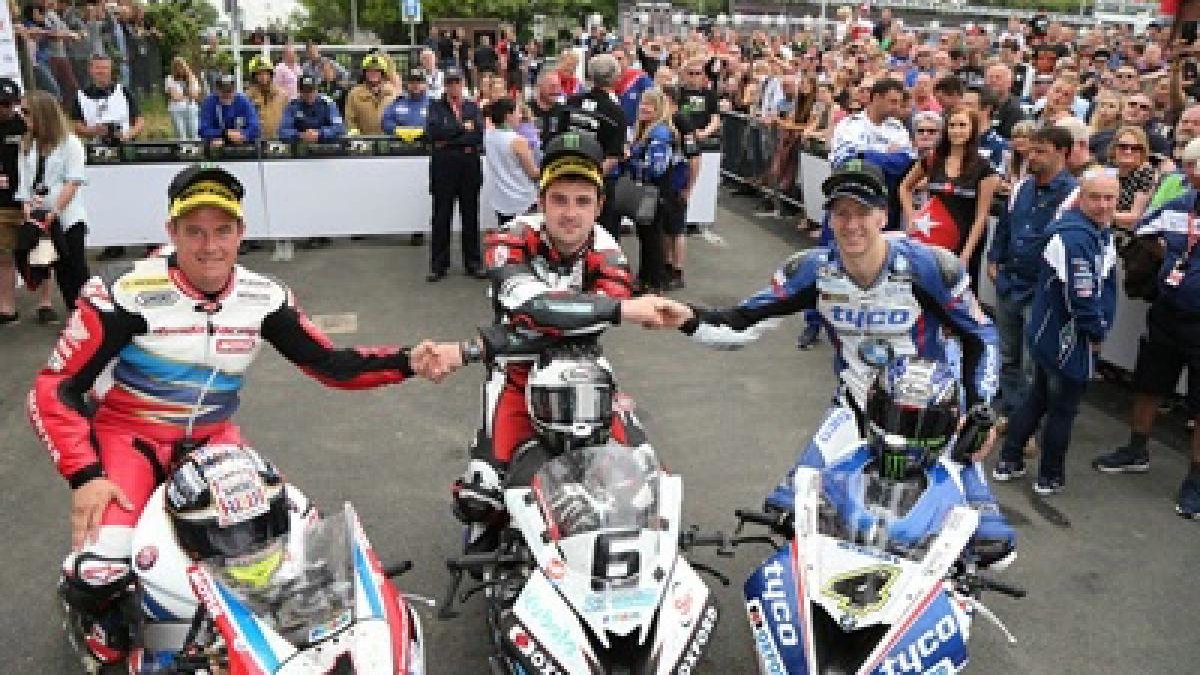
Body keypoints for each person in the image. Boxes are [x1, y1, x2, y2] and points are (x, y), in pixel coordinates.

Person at [28, 164, 452, 670]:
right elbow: (54, 388)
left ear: (241, 232)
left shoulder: (263, 296)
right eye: (195, 231)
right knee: (99, 572)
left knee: (297, 546)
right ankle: (120, 627)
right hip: (130, 438)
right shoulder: (121, 294)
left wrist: (407, 361)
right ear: (171, 232)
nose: (210, 246)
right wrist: (85, 476)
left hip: (215, 441)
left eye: (223, 230)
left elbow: (329, 364)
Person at [412, 131, 676, 552]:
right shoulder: (508, 238)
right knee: (480, 499)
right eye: (559, 200)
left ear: (599, 206)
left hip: (587, 375)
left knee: (646, 480)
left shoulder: (609, 251)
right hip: (515, 376)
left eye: (582, 201)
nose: (570, 213)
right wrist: (621, 309)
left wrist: (470, 349)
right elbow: (534, 309)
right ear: (541, 201)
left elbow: (559, 323)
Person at [656, 160, 999, 419]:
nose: (851, 225)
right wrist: (686, 319)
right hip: (853, 412)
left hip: (927, 418)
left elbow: (981, 337)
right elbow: (743, 322)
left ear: (883, 216)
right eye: (841, 213)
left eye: (862, 212)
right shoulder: (813, 271)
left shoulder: (929, 267)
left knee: (964, 496)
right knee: (796, 493)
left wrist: (979, 411)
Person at [992, 168, 1119, 495]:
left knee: (1038, 397)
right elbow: (1082, 296)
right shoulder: (1076, 237)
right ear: (1081, 198)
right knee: (1062, 408)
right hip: (1067, 337)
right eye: (1095, 197)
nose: (1103, 205)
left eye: (1110, 198)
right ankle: (1049, 475)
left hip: (1052, 332)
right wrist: (1096, 334)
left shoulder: (1092, 231)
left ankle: (1009, 459)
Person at [1092, 150, 1200, 518]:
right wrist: (1170, 257)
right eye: (1190, 166)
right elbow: (1144, 230)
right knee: (1149, 384)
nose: (1191, 173)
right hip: (1168, 311)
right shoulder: (1181, 203)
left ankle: (1196, 479)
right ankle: (1136, 449)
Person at [987, 125, 1077, 424]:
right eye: (1031, 150)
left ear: (1063, 153)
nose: (1032, 156)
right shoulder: (1021, 188)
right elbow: (1005, 225)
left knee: (1033, 362)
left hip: (1041, 289)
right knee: (1007, 354)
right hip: (1010, 281)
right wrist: (994, 258)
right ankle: (1008, 413)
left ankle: (1025, 424)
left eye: (1041, 151)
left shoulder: (1074, 194)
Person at [900, 106, 1000, 289]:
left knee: (958, 295)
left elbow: (981, 217)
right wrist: (912, 216)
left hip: (965, 242)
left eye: (962, 125)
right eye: (952, 125)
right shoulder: (933, 160)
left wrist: (966, 254)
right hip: (932, 239)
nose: (956, 130)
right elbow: (904, 187)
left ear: (972, 129)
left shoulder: (985, 169)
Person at [14, 90, 89, 322]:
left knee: (74, 268)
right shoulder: (27, 144)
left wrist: (55, 211)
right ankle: (72, 314)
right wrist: (27, 207)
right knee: (50, 266)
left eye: (26, 112)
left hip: (67, 217)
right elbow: (24, 182)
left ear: (42, 114)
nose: (22, 116)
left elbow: (73, 181)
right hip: (39, 218)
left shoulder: (70, 143)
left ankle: (86, 314)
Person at [557, 54, 628, 240]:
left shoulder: (572, 102)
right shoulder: (615, 112)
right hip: (597, 183)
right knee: (602, 236)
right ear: (615, 78)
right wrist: (589, 178)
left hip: (567, 174)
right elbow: (613, 157)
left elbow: (559, 139)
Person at [424, 67, 484, 282]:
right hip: (444, 167)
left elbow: (477, 135)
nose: (453, 86)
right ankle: (438, 265)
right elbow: (433, 133)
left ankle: (473, 263)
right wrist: (461, 130)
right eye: (450, 83)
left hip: (468, 166)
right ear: (445, 85)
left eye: (457, 82)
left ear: (462, 84)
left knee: (471, 216)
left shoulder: (472, 107)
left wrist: (450, 137)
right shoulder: (435, 107)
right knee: (441, 216)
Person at [625, 88, 681, 293]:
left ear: (659, 109)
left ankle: (654, 283)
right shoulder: (646, 130)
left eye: (650, 104)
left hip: (655, 193)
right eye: (643, 103)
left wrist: (630, 160)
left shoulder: (660, 134)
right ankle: (645, 279)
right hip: (648, 192)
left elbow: (657, 168)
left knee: (652, 238)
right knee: (646, 236)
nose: (644, 107)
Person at [0, 78, 29, 325]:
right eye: (1, 103)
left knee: (40, 255)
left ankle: (45, 303)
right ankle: (7, 306)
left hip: (30, 199)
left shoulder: (26, 126)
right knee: (3, 255)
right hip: (2, 203)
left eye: (9, 103)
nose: (5, 108)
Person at [483, 98, 538, 227]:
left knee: (507, 235)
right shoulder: (518, 141)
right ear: (508, 115)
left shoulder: (488, 136)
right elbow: (533, 173)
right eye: (518, 112)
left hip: (501, 201)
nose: (521, 116)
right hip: (522, 200)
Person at [70, 53, 144, 145]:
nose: (102, 71)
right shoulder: (81, 96)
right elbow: (77, 126)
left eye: (105, 68)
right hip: (96, 146)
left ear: (110, 70)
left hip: (125, 144)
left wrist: (129, 134)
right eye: (98, 68)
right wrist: (93, 131)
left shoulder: (124, 92)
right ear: (90, 70)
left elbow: (139, 121)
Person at [1107, 126, 1156, 231]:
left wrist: (1100, 213)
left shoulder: (1145, 173)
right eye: (1123, 146)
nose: (1128, 151)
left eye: (1135, 148)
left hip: (1129, 234)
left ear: (1142, 152)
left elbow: (1134, 217)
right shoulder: (1110, 172)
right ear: (1114, 149)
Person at [278, 75, 345, 143]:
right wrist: (301, 135)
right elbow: (282, 131)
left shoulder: (328, 104)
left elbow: (339, 128)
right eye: (305, 91)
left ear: (316, 90)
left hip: (325, 145)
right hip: (300, 144)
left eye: (311, 90)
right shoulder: (292, 105)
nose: (309, 94)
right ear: (299, 91)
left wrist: (319, 133)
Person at [198, 74, 260, 147]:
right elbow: (203, 130)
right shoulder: (209, 102)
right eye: (223, 91)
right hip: (216, 145)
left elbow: (255, 127)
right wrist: (224, 133)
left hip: (242, 144)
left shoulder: (244, 101)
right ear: (217, 90)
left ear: (235, 90)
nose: (227, 94)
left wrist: (243, 135)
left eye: (230, 91)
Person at [345, 53, 395, 136]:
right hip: (363, 140)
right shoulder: (355, 94)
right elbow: (349, 120)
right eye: (369, 71)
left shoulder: (393, 93)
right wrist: (356, 138)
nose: (373, 73)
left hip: (388, 140)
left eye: (377, 71)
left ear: (383, 73)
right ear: (364, 73)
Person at [245, 55, 287, 140]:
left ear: (271, 74)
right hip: (255, 141)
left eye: (266, 73)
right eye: (259, 73)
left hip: (278, 140)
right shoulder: (247, 97)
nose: (263, 77)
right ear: (254, 76)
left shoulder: (282, 95)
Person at [164, 56, 200, 141]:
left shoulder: (192, 78)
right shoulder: (169, 79)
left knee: (194, 132)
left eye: (181, 66)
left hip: (191, 109)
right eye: (177, 67)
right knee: (180, 134)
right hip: (176, 110)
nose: (179, 69)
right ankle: (183, 147)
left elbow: (195, 95)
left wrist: (190, 80)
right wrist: (188, 95)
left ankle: (195, 147)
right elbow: (175, 96)